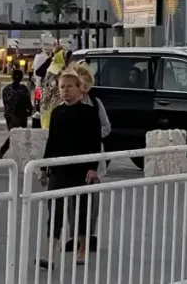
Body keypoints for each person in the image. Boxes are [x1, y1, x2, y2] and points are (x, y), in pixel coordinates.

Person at [39, 70, 103, 268]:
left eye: (69, 87)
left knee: (82, 210)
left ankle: (82, 249)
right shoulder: (57, 112)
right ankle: (49, 253)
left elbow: (95, 140)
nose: (65, 91)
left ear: (79, 89)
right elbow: (52, 141)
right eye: (61, 87)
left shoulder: (90, 113)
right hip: (59, 168)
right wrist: (44, 167)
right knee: (55, 212)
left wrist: (93, 168)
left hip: (82, 169)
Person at [67, 62, 110, 253]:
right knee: (70, 197)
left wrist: (92, 133)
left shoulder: (96, 103)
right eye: (81, 88)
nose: (84, 92)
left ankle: (89, 234)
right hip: (71, 157)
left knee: (91, 199)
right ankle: (73, 235)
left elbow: (106, 127)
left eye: (87, 88)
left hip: (92, 156)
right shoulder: (65, 105)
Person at [0, 69, 33, 159]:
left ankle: (3, 151)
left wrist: (8, 115)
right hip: (21, 115)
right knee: (20, 135)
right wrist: (30, 111)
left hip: (9, 116)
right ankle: (5, 151)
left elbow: (6, 104)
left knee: (14, 135)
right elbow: (28, 102)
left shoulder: (6, 90)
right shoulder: (23, 89)